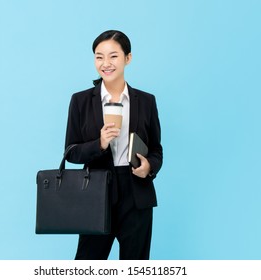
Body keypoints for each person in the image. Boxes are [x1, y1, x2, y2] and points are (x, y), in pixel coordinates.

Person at [64, 30, 163, 260]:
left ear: (128, 58)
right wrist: (99, 143)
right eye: (99, 57)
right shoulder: (80, 101)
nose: (105, 63)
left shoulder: (147, 101)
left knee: (136, 266)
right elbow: (71, 152)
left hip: (136, 192)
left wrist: (149, 167)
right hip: (96, 192)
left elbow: (157, 149)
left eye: (113, 56)